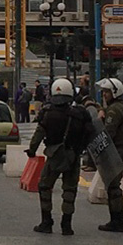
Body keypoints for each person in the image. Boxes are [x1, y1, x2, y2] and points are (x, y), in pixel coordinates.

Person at [25, 78, 96, 236]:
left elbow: (39, 134)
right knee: (70, 190)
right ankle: (67, 224)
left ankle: (46, 221)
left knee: (44, 186)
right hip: (73, 156)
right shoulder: (80, 114)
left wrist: (31, 150)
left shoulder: (48, 113)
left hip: (54, 155)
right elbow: (90, 133)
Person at [96, 77, 123, 233]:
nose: (104, 95)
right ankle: (117, 220)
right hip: (120, 149)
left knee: (113, 187)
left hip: (114, 151)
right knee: (113, 186)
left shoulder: (115, 110)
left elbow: (108, 133)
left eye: (106, 92)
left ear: (115, 92)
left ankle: (117, 221)